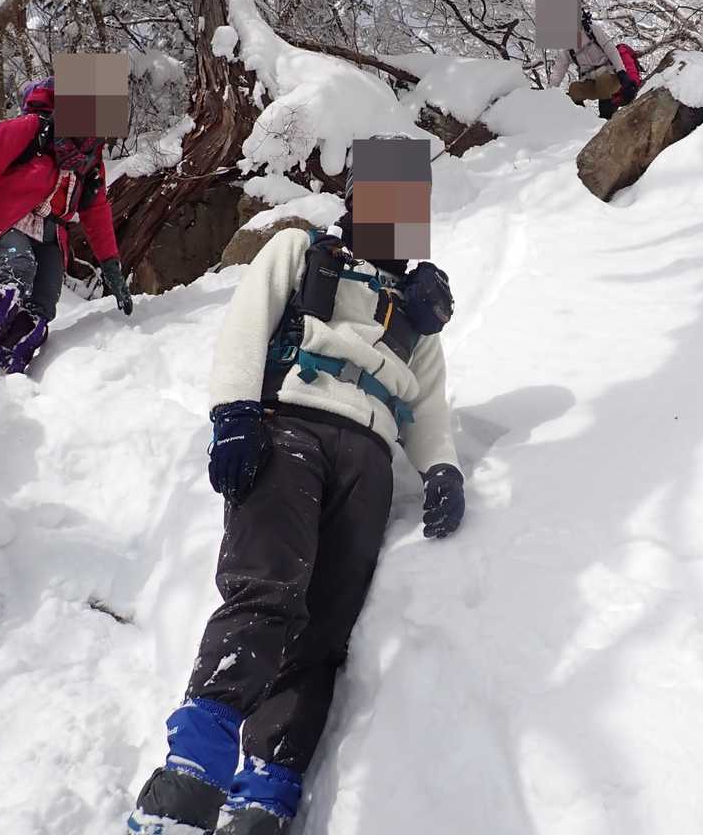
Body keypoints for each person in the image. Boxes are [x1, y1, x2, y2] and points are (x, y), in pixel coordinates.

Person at [127, 147, 466, 835]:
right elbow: (246, 327)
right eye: (386, 197)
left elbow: (427, 405)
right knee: (266, 590)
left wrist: (442, 468)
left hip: (370, 459)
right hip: (291, 426)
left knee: (324, 630)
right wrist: (235, 413)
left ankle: (264, 795)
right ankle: (190, 779)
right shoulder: (301, 251)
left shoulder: (416, 313)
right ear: (357, 199)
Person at [0, 76, 132, 374]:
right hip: (6, 219)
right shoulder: (29, 129)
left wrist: (111, 266)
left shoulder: (91, 161)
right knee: (19, 267)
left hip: (50, 233)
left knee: (46, 299)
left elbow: (96, 212)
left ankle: (9, 364)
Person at [550, 7, 638, 119]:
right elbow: (558, 70)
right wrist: (549, 93)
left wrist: (622, 73)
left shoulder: (592, 31)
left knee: (603, 80)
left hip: (611, 78)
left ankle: (606, 119)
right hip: (591, 82)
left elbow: (612, 51)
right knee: (574, 89)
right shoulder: (566, 47)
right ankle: (582, 119)